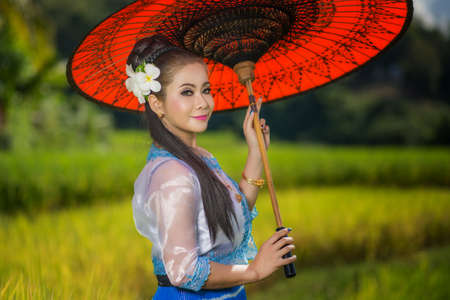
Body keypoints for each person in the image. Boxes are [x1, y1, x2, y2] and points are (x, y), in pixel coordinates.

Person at [130, 35, 296, 300]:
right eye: (187, 92)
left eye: (206, 90)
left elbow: (232, 211)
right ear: (156, 103)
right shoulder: (172, 175)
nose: (203, 102)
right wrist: (253, 270)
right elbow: (183, 271)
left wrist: (256, 152)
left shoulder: (200, 156)